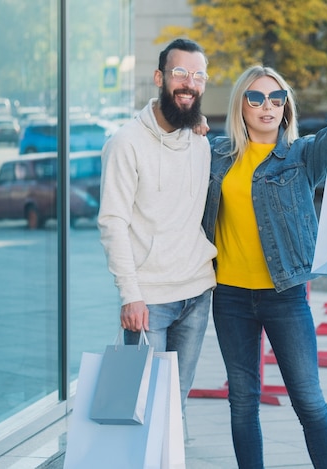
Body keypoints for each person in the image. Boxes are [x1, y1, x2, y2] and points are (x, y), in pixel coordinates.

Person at [202, 65, 327, 468]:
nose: (267, 106)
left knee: (308, 399)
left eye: (276, 98)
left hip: (284, 296)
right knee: (242, 401)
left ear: (285, 106)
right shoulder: (216, 155)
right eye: (256, 98)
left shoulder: (300, 155)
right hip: (229, 296)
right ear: (240, 106)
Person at [98, 38, 217, 428]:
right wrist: (131, 296)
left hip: (197, 294)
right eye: (180, 73)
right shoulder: (125, 143)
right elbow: (112, 223)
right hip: (150, 304)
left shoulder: (200, 143)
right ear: (159, 78)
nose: (189, 83)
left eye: (198, 75)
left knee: (174, 411)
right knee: (140, 413)